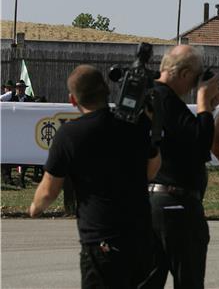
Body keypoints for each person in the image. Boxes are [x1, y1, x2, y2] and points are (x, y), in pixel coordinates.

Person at [29, 64, 161, 288]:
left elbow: (49, 189)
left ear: (73, 100)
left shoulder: (69, 135)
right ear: (107, 91)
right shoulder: (136, 125)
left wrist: (35, 207)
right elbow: (153, 168)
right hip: (141, 238)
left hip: (102, 241)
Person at [140, 44, 219, 289]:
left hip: (153, 204)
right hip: (176, 206)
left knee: (149, 279)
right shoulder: (165, 99)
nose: (194, 86)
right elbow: (199, 146)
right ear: (185, 73)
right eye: (195, 79)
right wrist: (204, 102)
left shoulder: (152, 95)